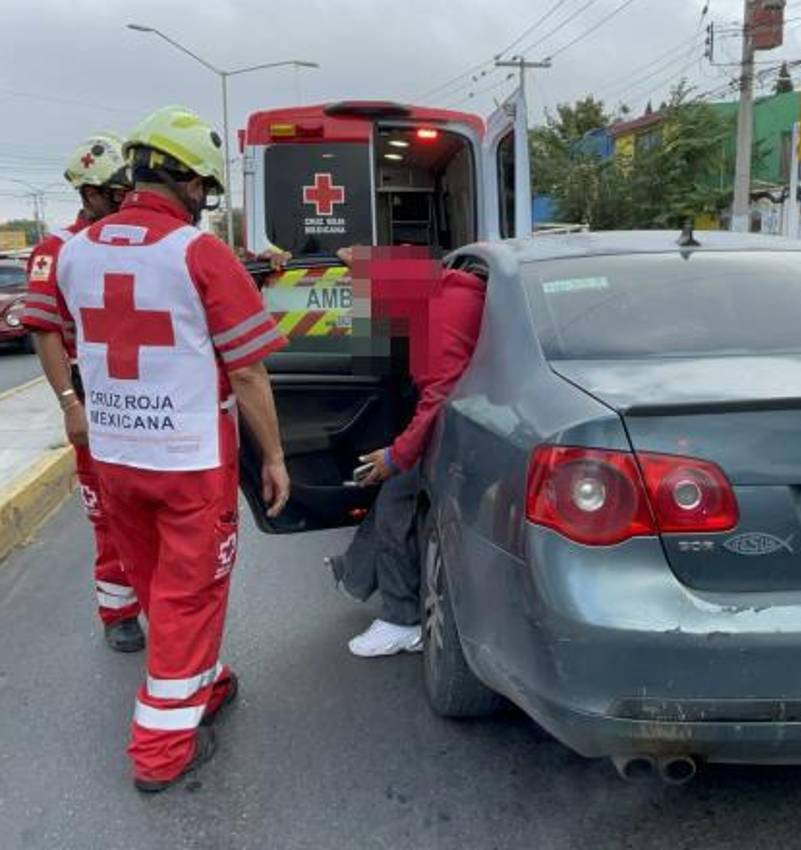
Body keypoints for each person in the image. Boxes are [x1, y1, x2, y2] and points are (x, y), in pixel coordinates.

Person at [51, 105, 290, 792]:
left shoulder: (74, 251)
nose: (204, 204)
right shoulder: (198, 253)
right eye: (204, 191)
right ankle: (160, 752)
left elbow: (77, 338)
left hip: (118, 456)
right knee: (193, 595)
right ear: (186, 180)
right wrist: (273, 456)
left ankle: (203, 680)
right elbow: (246, 370)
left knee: (159, 584)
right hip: (188, 463)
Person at [20, 133, 144, 652]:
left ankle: (162, 598)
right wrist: (70, 404)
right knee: (106, 511)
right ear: (89, 194)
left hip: (141, 396)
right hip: (92, 397)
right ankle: (118, 610)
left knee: (151, 505)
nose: (123, 201)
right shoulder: (58, 250)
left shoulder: (136, 241)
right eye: (114, 192)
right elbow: (45, 330)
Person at [327, 259, 486, 657]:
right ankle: (357, 572)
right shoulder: (449, 289)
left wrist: (396, 456)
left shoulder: (435, 317)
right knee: (391, 498)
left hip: (467, 424)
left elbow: (439, 397)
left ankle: (401, 621)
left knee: (397, 496)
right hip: (480, 412)